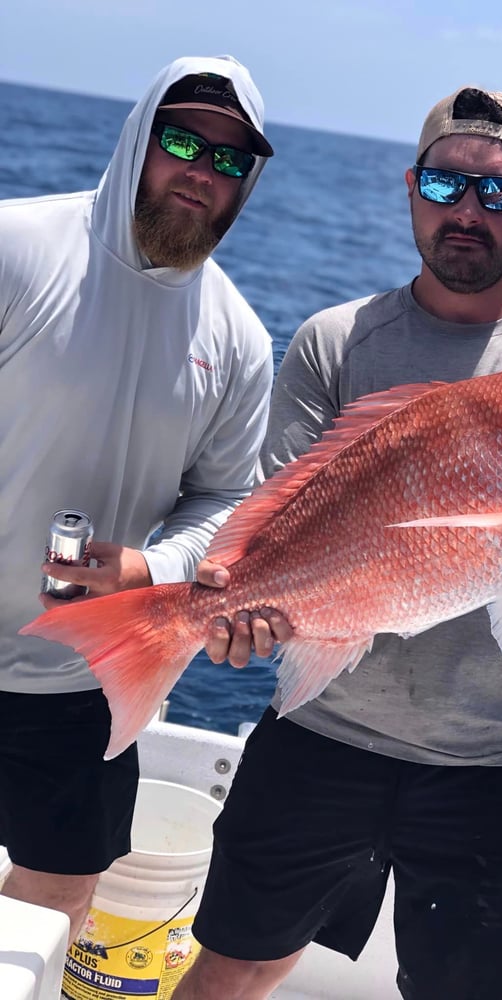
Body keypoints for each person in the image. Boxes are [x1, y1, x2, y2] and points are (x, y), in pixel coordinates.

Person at [181, 86, 502, 1000]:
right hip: (322, 732)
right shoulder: (340, 341)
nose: (467, 211)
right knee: (232, 969)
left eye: (498, 192)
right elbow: (272, 525)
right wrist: (229, 605)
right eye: (447, 183)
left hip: (498, 762)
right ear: (411, 188)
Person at [0, 55, 292, 945]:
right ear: (139, 137)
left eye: (232, 159)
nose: (203, 171)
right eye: (183, 140)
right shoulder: (19, 246)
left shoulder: (240, 340)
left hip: (81, 674)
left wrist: (154, 566)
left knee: (59, 894)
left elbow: (224, 499)